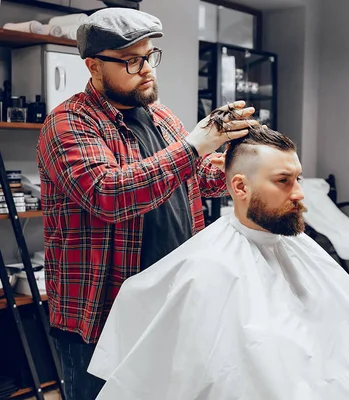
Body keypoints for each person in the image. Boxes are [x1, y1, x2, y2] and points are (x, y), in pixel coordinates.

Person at [86, 118, 349, 400]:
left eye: (298, 178)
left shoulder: (298, 248)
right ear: (239, 186)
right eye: (284, 181)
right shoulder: (209, 269)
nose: (300, 194)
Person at [36, 8, 258, 399]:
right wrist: (195, 144)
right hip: (102, 318)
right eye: (131, 61)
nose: (146, 69)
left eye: (149, 56)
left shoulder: (160, 116)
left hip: (171, 305)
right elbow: (109, 194)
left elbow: (196, 175)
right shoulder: (68, 122)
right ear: (94, 66)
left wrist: (247, 166)